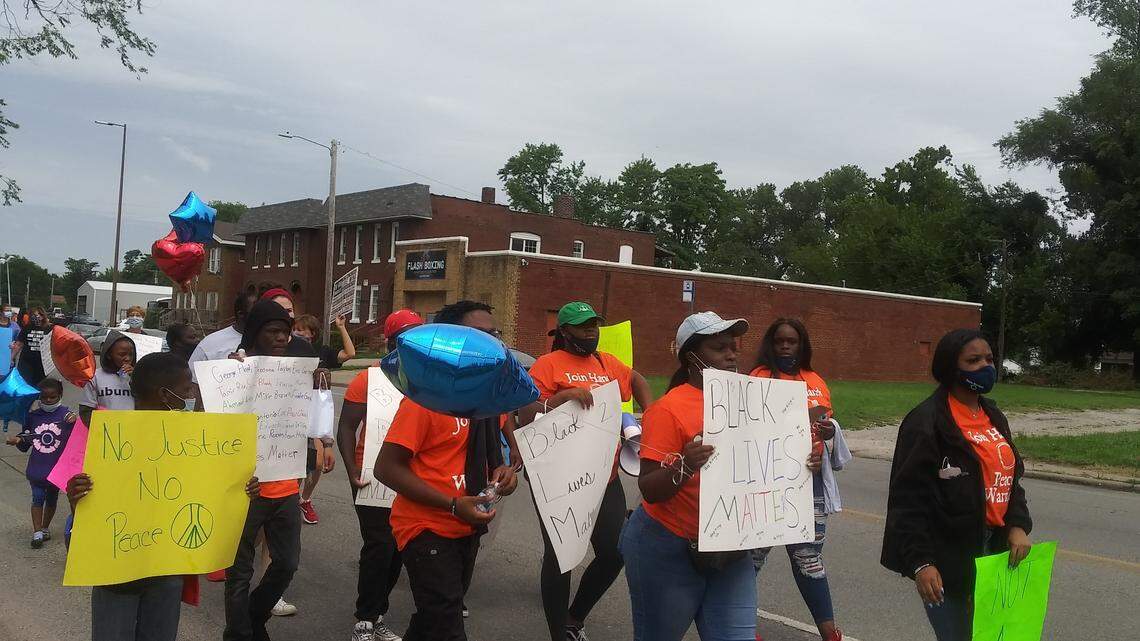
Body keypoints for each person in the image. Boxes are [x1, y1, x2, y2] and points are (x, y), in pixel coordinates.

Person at [620, 311, 824, 641]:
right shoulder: (668, 409)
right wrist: (685, 465)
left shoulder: (758, 402)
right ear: (692, 359)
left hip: (731, 549)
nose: (731, 355)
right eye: (719, 348)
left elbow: (770, 459)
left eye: (734, 347)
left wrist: (804, 461)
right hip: (668, 546)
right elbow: (649, 488)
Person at [66, 352, 261, 641]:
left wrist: (239, 492)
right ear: (165, 395)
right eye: (187, 388)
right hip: (116, 573)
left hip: (167, 570)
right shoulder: (106, 439)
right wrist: (77, 498)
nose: (193, 393)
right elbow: (77, 529)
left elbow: (208, 494)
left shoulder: (196, 442)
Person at [376, 300, 518, 641]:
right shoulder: (425, 400)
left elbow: (492, 459)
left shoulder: (485, 399)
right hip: (426, 528)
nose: (492, 342)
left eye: (494, 334)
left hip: (467, 528)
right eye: (480, 335)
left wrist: (503, 474)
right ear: (454, 342)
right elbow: (386, 468)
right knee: (447, 624)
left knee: (432, 619)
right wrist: (453, 504)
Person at [881, 328, 1033, 641]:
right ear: (952, 367)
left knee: (996, 636)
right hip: (948, 556)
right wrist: (921, 563)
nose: (985, 366)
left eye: (989, 358)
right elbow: (908, 501)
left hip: (997, 552)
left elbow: (1009, 478)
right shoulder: (926, 422)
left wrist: (1017, 524)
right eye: (973, 360)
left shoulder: (993, 415)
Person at [518, 301, 654, 641]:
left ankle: (574, 618)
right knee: (561, 555)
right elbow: (524, 412)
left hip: (604, 475)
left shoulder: (606, 362)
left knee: (614, 552)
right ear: (564, 331)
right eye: (582, 326)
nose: (591, 331)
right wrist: (557, 400)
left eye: (593, 324)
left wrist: (650, 412)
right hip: (557, 477)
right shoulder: (548, 365)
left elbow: (637, 380)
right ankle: (557, 634)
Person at [224, 299, 329, 641]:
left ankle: (255, 617)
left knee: (286, 564)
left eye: (286, 331)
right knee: (239, 571)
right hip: (246, 489)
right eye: (274, 331)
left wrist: (315, 392)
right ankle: (238, 633)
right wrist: (229, 375)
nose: (282, 338)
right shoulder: (234, 370)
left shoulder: (297, 374)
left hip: (285, 486)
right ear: (256, 333)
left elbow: (308, 419)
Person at [749, 318, 847, 641]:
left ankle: (829, 631)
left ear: (802, 345)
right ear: (771, 344)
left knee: (808, 558)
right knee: (752, 556)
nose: (786, 347)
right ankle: (742, 626)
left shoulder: (816, 381)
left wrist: (829, 435)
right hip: (767, 483)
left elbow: (824, 425)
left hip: (810, 483)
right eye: (780, 341)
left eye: (793, 341)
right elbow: (749, 430)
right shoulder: (758, 378)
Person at [335, 309, 424, 641]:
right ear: (391, 342)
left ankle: (378, 613)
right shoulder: (368, 379)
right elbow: (347, 427)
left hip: (411, 479)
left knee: (398, 549)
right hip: (371, 479)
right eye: (405, 339)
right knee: (379, 546)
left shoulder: (426, 380)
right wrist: (351, 468)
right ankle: (365, 619)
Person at [293, 312, 356, 525]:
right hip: (293, 412)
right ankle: (290, 500)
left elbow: (350, 353)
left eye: (303, 329)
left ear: (313, 333)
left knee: (317, 463)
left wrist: (341, 327)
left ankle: (305, 499)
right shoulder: (289, 350)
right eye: (296, 329)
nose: (298, 333)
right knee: (296, 463)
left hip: (316, 414)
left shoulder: (321, 352)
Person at [5, 377, 76, 548]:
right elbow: (27, 438)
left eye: (53, 397)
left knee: (51, 500)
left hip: (56, 470)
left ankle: (45, 528)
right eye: (44, 397)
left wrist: (74, 422)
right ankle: (37, 531)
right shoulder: (32, 417)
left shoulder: (67, 416)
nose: (49, 400)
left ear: (60, 395)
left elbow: (76, 438)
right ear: (39, 398)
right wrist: (18, 440)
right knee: (37, 498)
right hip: (37, 468)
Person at [78, 330, 137, 425]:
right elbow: (86, 410)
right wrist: (99, 429)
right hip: (106, 431)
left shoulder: (137, 376)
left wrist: (135, 378)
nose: (128, 358)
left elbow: (146, 404)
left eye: (131, 354)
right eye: (122, 354)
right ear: (109, 355)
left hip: (132, 428)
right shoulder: (95, 377)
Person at [13, 306, 51, 387]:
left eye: (38, 315)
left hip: (42, 364)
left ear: (42, 316)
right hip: (26, 362)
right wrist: (11, 358)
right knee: (25, 384)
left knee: (40, 386)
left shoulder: (48, 329)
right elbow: (19, 344)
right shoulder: (26, 328)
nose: (36, 317)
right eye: (33, 315)